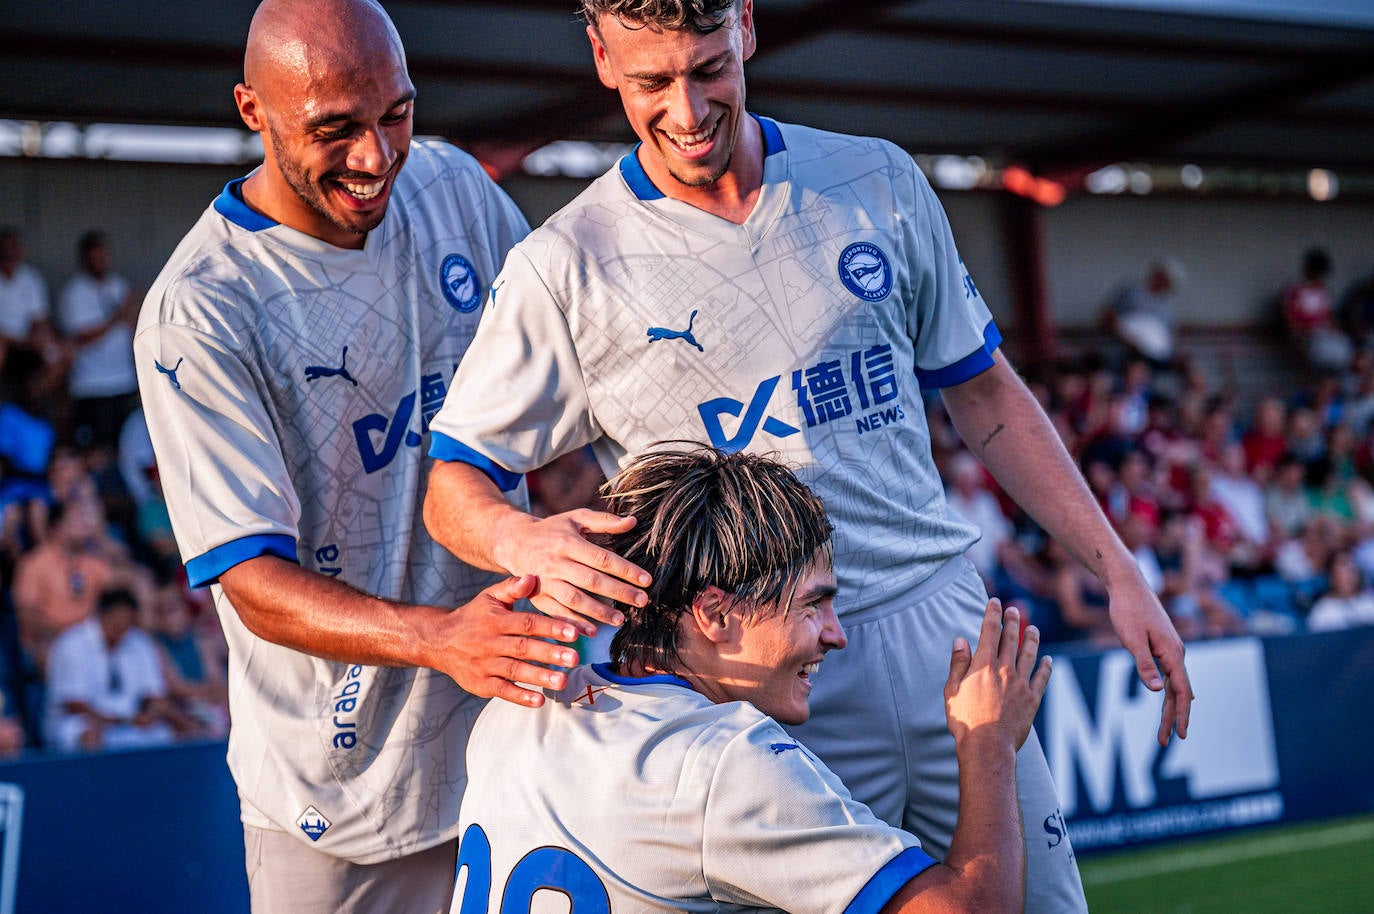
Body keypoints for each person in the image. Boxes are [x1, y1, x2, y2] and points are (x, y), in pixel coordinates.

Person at [423, 2, 1192, 909]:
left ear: (746, 26)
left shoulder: (878, 180)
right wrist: (521, 540)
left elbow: (985, 394)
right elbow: (452, 485)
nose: (685, 109)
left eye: (708, 69)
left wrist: (1117, 567)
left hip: (944, 627)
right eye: (650, 82)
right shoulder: (565, 265)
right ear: (599, 57)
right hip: (764, 663)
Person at [132, 1, 573, 910]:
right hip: (339, 802)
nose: (377, 157)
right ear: (253, 110)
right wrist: (445, 640)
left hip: (515, 747)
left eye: (397, 114)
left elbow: (567, 398)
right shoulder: (202, 312)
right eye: (334, 130)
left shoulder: (454, 189)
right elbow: (252, 582)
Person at [453, 446, 1051, 914]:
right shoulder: (727, 763)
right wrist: (988, 742)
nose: (835, 633)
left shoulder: (516, 706)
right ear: (713, 613)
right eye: (812, 604)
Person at [44, 586, 200, 752]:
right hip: (79, 721)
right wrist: (120, 720)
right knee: (89, 735)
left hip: (131, 720)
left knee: (170, 729)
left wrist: (155, 712)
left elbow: (152, 694)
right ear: (103, 615)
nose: (121, 626)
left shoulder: (140, 641)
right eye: (116, 620)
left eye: (126, 621)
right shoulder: (71, 643)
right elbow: (73, 704)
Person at [57, 229, 142, 451]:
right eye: (94, 256)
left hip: (124, 382)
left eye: (102, 255)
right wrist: (119, 316)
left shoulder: (119, 285)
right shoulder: (74, 291)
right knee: (96, 453)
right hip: (91, 386)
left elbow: (134, 325)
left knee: (123, 450)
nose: (99, 260)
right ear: (84, 259)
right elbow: (82, 336)